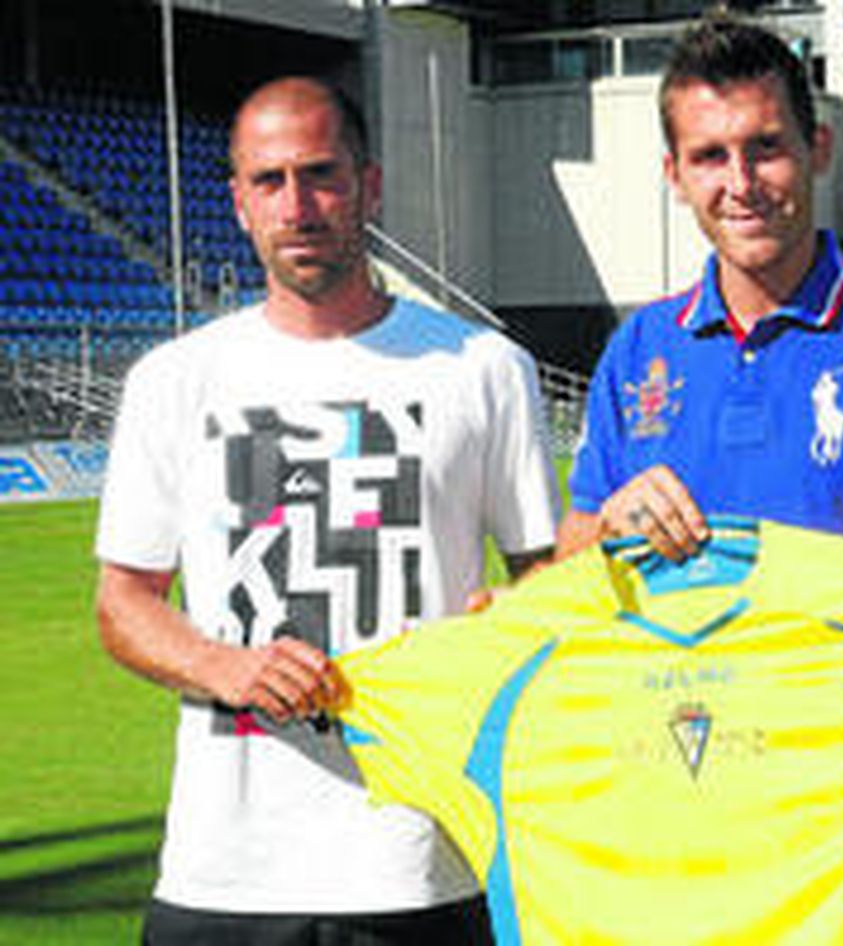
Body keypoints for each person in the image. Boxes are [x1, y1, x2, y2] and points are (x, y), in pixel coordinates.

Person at [554, 15, 843, 942]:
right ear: (674, 175)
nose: (742, 182)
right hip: (685, 811)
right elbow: (567, 571)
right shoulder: (636, 351)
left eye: (766, 147)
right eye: (711, 155)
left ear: (818, 147)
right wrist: (609, 526)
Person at [94, 76, 560, 944]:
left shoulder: (485, 369)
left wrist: (516, 623)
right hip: (225, 873)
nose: (298, 205)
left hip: (423, 862)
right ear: (236, 202)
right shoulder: (173, 381)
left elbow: (546, 587)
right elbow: (122, 605)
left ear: (370, 185)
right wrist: (220, 665)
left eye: (322, 174)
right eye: (269, 181)